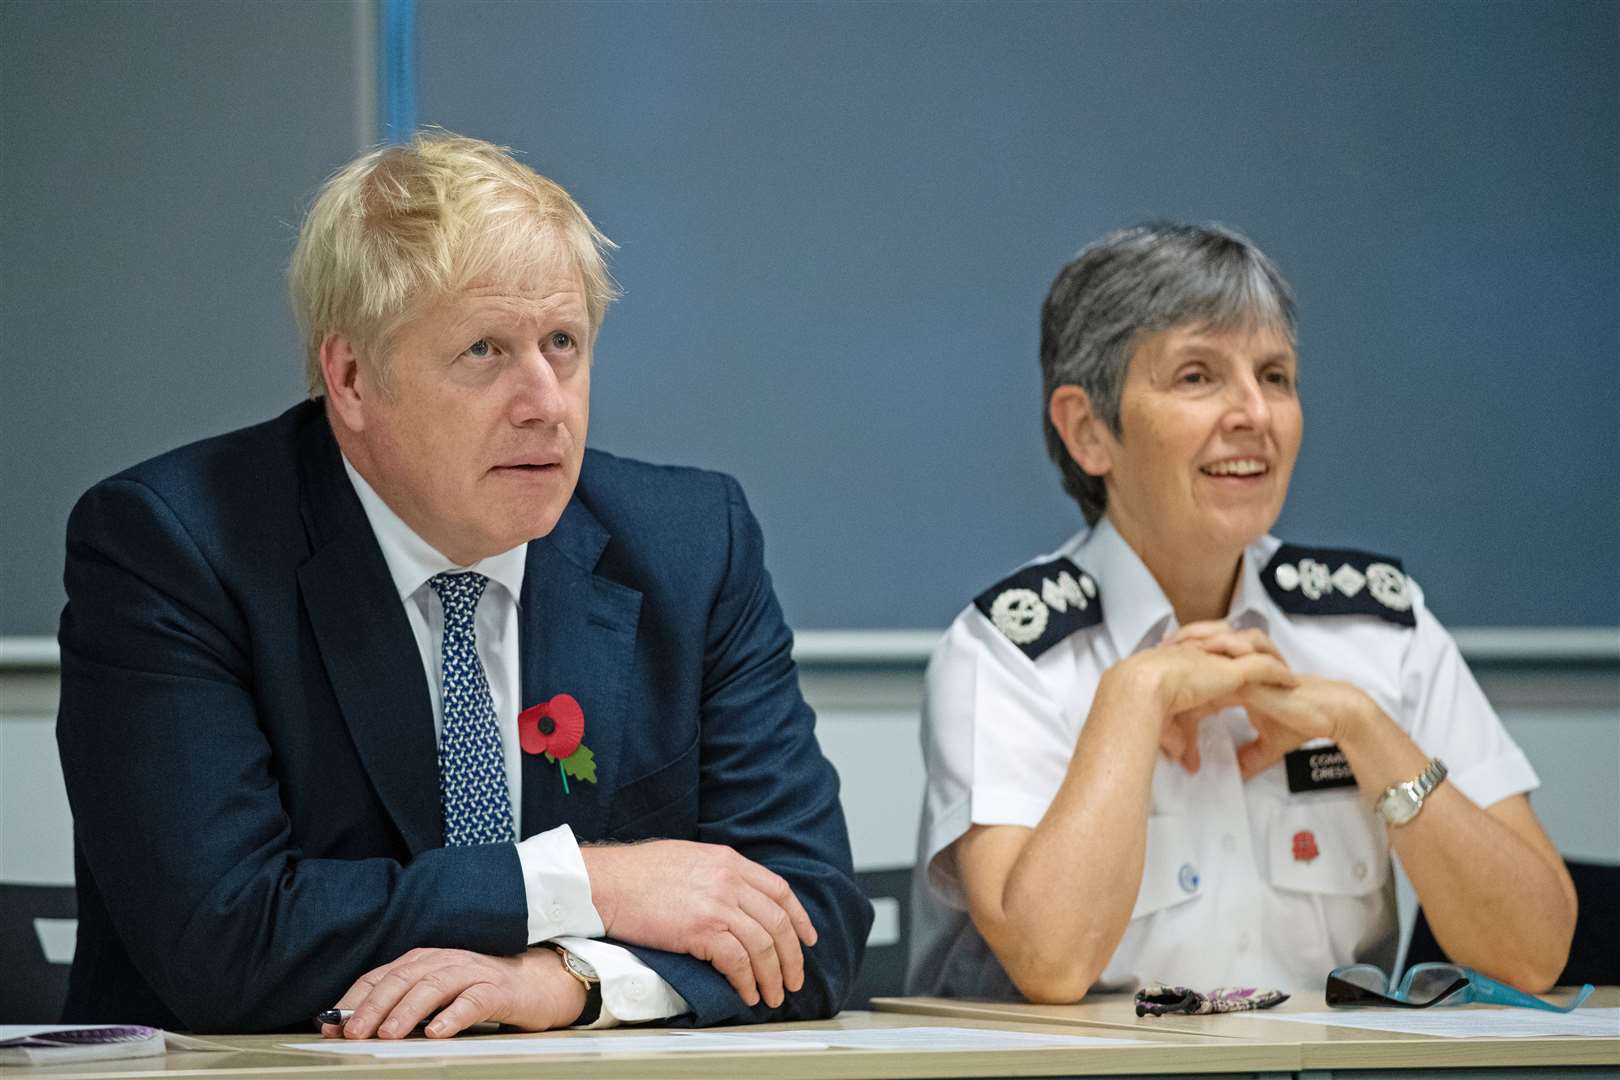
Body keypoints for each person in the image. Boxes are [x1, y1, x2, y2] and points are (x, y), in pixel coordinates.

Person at [55, 131, 871, 1036]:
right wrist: (588, 883)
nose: (545, 402)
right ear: (353, 377)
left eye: (563, 342)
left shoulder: (690, 546)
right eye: (485, 350)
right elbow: (224, 937)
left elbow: (811, 919)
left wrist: (570, 980)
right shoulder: (175, 547)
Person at [907, 222, 1576, 1003]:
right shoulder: (1007, 653)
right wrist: (1134, 698)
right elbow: (1052, 964)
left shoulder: (1376, 628)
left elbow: (1534, 954)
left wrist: (1367, 732)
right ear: (1089, 430)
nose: (1254, 413)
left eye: (1276, 376)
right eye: (1198, 377)